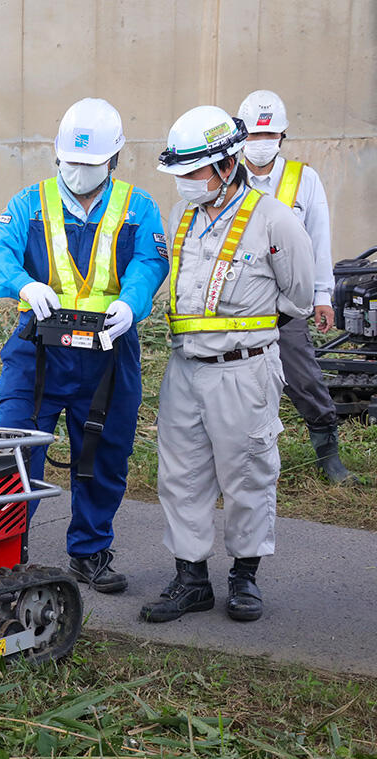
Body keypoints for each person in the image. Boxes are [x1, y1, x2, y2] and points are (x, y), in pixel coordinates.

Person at [0, 98, 168, 595]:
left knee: (104, 456)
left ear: (114, 160)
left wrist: (132, 304)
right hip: (37, 353)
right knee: (16, 453)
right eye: (70, 161)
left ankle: (89, 551)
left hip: (107, 354)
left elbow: (151, 262)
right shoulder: (28, 203)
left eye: (89, 164)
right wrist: (22, 284)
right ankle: (4, 554)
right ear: (56, 154)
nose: (78, 172)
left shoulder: (138, 206)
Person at [145, 105, 313, 624]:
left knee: (247, 474)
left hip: (244, 371)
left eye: (193, 172)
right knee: (180, 475)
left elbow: (299, 296)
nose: (185, 184)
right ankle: (190, 579)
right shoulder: (184, 217)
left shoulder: (274, 218)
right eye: (179, 174)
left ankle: (245, 576)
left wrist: (246, 338)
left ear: (226, 163)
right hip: (185, 368)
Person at [237, 89, 355, 484]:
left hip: (287, 303)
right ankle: (237, 459)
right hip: (235, 305)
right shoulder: (225, 179)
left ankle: (328, 453)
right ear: (240, 137)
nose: (260, 144)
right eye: (253, 135)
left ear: (283, 136)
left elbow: (318, 241)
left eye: (268, 136)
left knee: (302, 377)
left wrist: (322, 296)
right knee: (234, 384)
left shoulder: (304, 179)